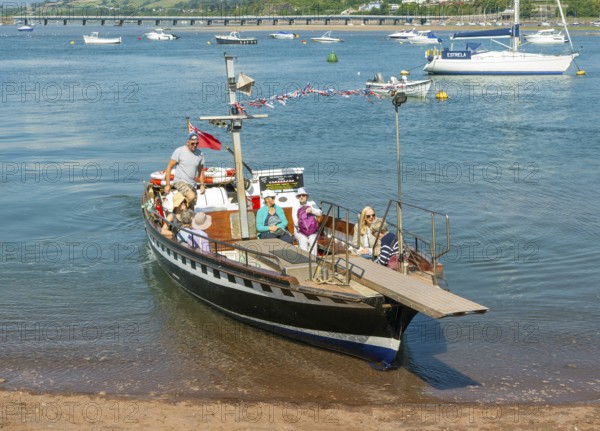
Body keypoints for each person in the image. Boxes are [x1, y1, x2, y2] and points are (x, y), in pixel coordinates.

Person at [164, 132, 206, 207]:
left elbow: (201, 170)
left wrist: (202, 185)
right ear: (187, 142)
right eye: (192, 143)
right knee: (191, 196)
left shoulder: (200, 154)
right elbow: (169, 167)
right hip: (180, 181)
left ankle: (178, 211)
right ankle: (180, 206)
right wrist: (168, 184)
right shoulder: (179, 151)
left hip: (192, 184)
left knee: (191, 209)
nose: (195, 145)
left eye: (197, 143)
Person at [292, 187, 322, 255]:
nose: (301, 197)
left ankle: (313, 260)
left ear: (307, 196)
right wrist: (303, 223)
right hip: (299, 230)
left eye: (303, 195)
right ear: (297, 197)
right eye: (299, 196)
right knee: (303, 240)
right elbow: (295, 222)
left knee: (312, 239)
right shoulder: (295, 206)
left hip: (312, 230)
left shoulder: (311, 204)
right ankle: (305, 259)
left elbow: (320, 213)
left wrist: (312, 210)